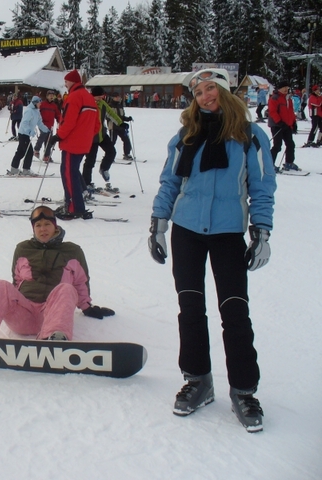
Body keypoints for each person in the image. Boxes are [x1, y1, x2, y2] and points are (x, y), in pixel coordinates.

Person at [149, 68, 277, 433]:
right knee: (190, 309)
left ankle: (244, 390)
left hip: (227, 233)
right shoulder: (186, 135)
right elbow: (170, 181)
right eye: (200, 92)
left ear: (225, 91)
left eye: (212, 89)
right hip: (186, 230)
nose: (206, 96)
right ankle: (198, 380)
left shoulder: (249, 137)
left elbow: (263, 187)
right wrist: (159, 224)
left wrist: (262, 233)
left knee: (234, 313)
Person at [0, 205, 114, 340]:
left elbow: (81, 282)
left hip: (53, 314)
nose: (43, 229)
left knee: (67, 288)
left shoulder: (72, 251)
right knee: (0, 285)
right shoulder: (23, 249)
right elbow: (17, 281)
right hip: (23, 316)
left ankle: (54, 338)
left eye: (47, 224)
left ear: (55, 226)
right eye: (38, 225)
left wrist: (87, 307)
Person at [47, 69, 100, 220]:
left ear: (72, 82)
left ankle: (73, 207)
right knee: (73, 173)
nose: (65, 85)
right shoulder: (89, 98)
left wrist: (59, 136)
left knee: (68, 174)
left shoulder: (74, 97)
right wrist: (86, 135)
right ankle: (74, 204)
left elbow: (68, 121)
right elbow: (97, 125)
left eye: (66, 82)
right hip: (84, 143)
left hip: (72, 142)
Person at [82, 87, 121, 194]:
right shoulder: (87, 103)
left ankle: (104, 168)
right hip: (91, 137)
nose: (100, 98)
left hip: (102, 135)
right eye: (98, 96)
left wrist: (120, 123)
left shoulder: (103, 103)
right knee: (90, 161)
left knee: (112, 152)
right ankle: (86, 182)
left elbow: (111, 113)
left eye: (101, 96)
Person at [8, 96, 50, 176]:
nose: (40, 104)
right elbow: (24, 123)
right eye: (39, 102)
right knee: (29, 152)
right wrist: (29, 131)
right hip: (23, 133)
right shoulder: (29, 111)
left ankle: (14, 168)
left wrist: (46, 130)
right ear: (35, 103)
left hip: (27, 134)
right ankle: (25, 170)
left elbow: (39, 122)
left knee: (21, 151)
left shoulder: (37, 111)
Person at [267, 80, 298, 171]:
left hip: (287, 125)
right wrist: (279, 122)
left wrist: (293, 123)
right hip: (277, 125)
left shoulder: (288, 99)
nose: (286, 89)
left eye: (287, 88)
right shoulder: (274, 98)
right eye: (284, 88)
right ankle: (270, 164)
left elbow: (291, 112)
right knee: (277, 145)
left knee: (290, 144)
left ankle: (289, 162)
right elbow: (272, 112)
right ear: (280, 88)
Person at [34, 90, 61, 159]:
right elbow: (37, 112)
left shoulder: (54, 106)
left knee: (49, 140)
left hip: (50, 125)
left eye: (52, 95)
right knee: (43, 135)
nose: (51, 96)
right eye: (50, 95)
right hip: (42, 124)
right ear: (47, 96)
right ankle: (36, 149)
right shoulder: (42, 104)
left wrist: (60, 121)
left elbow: (57, 115)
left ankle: (47, 155)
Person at [108, 92, 134, 160]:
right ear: (113, 98)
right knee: (112, 142)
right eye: (116, 97)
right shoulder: (109, 106)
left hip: (121, 126)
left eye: (118, 97)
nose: (118, 98)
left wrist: (127, 119)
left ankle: (127, 154)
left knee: (126, 140)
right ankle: (109, 156)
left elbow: (121, 116)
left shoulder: (120, 106)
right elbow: (108, 117)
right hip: (113, 126)